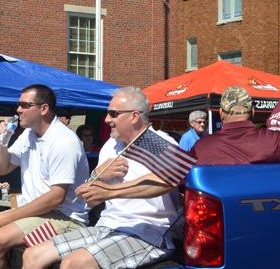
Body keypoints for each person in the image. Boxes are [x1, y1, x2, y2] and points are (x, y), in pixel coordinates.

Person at [22, 87, 180, 269]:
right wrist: (99, 175)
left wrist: (110, 191)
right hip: (106, 225)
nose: (106, 120)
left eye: (113, 114)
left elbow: (168, 180)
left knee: (73, 264)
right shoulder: (111, 145)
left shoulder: (155, 142)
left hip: (147, 232)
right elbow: (91, 191)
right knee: (32, 255)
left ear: (134, 116)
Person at [0, 84, 89, 269]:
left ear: (43, 109)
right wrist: (3, 139)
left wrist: (11, 216)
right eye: (18, 104)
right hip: (33, 212)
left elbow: (56, 197)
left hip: (65, 218)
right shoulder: (29, 134)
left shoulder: (64, 141)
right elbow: (1, 168)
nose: (18, 109)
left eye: (24, 105)